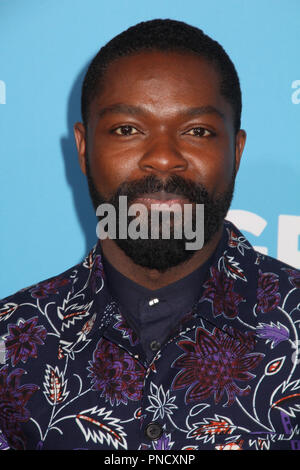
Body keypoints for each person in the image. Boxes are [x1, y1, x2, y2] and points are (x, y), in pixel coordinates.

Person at [0, 19, 299, 451]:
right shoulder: (12, 339)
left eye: (197, 131)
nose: (162, 158)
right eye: (127, 129)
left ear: (236, 151)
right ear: (83, 149)